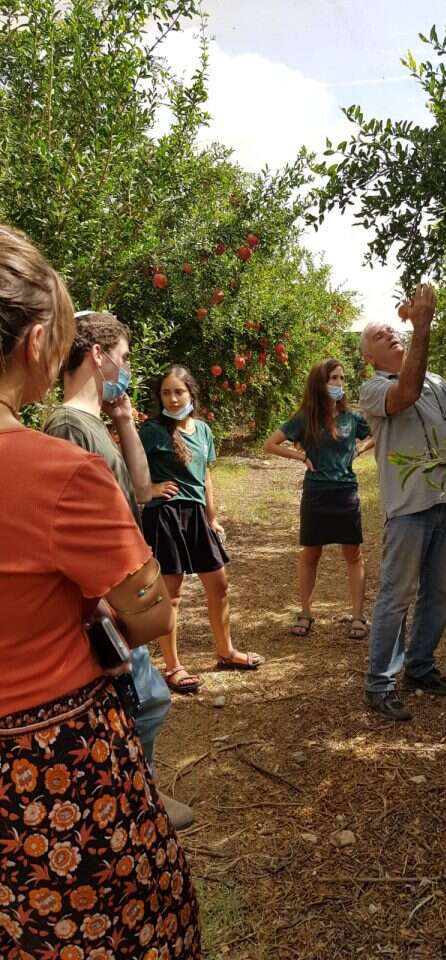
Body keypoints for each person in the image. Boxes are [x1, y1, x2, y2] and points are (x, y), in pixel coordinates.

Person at [0, 224, 201, 957]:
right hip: (50, 767)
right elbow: (145, 609)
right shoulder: (54, 469)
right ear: (36, 344)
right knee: (130, 926)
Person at [44, 310, 192, 830]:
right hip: (100, 592)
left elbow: (142, 488)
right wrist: (98, 603)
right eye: (124, 358)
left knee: (141, 700)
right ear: (98, 355)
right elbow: (67, 523)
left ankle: (138, 796)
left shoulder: (95, 424)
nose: (128, 369)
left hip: (118, 582)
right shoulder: (66, 425)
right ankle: (132, 802)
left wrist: (126, 420)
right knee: (143, 699)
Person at [359, 282, 446, 721]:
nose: (390, 335)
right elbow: (405, 394)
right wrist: (423, 327)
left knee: (440, 595)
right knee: (397, 596)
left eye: (390, 331)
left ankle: (420, 667)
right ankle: (379, 682)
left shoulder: (438, 381)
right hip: (410, 506)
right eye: (379, 337)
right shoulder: (373, 390)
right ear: (369, 357)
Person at [139, 365, 265, 692]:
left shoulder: (204, 430)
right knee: (173, 595)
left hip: (196, 515)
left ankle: (226, 652)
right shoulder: (151, 431)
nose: (173, 398)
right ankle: (173, 667)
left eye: (178, 391)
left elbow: (206, 477)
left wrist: (213, 518)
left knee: (219, 585)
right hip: (165, 515)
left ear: (191, 393)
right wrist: (149, 490)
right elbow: (127, 469)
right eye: (166, 392)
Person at [263, 359, 374, 639]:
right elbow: (270, 444)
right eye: (332, 378)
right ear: (319, 384)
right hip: (316, 493)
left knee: (353, 553)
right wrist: (301, 456)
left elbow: (380, 432)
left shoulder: (352, 418)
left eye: (341, 378)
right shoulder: (304, 417)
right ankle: (305, 613)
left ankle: (359, 616)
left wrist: (360, 450)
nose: (338, 384)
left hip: (346, 492)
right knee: (311, 553)